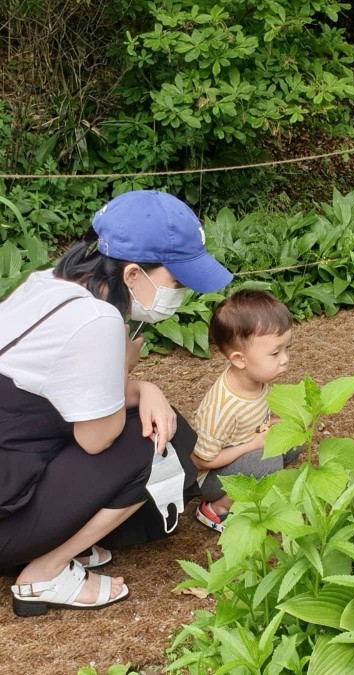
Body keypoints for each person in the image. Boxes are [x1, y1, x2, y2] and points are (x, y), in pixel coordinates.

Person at [0, 189, 232, 616]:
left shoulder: (46, 283)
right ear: (131, 275)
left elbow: (64, 393)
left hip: (12, 471)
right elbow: (97, 438)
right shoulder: (98, 320)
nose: (180, 294)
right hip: (7, 511)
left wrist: (145, 388)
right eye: (176, 281)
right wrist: (129, 368)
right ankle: (44, 573)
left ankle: (55, 540)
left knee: (155, 418)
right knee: (157, 442)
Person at [191, 290, 302, 533]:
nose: (284, 359)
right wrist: (253, 445)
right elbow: (201, 459)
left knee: (295, 433)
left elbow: (258, 416)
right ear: (240, 359)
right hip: (210, 479)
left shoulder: (257, 379)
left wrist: (273, 421)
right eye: (275, 353)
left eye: (286, 349)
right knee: (268, 460)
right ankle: (216, 508)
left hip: (243, 451)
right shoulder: (223, 406)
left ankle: (260, 486)